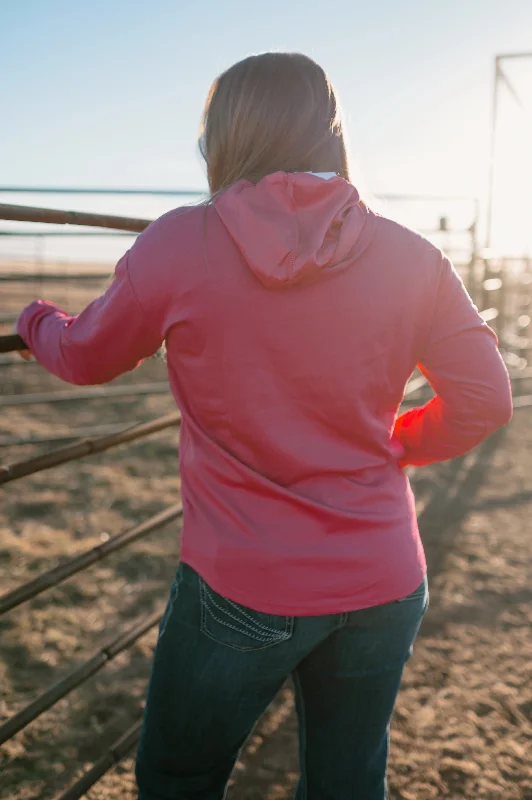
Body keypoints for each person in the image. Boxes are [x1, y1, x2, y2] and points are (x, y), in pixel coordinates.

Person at [15, 52, 512, 800]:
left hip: (242, 584)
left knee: (179, 776)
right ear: (331, 133)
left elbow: (84, 357)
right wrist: (400, 441)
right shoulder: (412, 257)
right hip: (384, 575)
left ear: (225, 135)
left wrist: (34, 320)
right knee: (347, 779)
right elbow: (484, 400)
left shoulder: (182, 241)